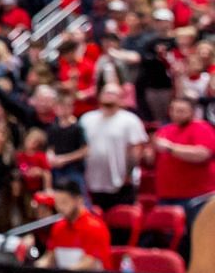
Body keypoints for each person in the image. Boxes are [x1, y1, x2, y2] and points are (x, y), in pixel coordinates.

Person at [80, 83, 148, 211]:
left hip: (121, 182)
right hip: (93, 181)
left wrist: (128, 175)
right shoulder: (87, 119)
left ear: (121, 98)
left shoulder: (130, 120)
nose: (109, 96)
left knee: (121, 222)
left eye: (113, 93)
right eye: (106, 92)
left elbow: (136, 150)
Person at [153, 95, 215, 231]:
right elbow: (153, 160)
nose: (176, 114)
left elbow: (202, 154)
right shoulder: (165, 130)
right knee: (168, 237)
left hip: (196, 196)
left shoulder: (202, 128)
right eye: (173, 110)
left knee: (195, 235)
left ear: (192, 112)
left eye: (181, 111)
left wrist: (170, 148)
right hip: (167, 195)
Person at [40, 184, 113, 271]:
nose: (60, 207)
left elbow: (90, 263)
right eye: (57, 203)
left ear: (79, 201)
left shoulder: (95, 227)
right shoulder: (58, 227)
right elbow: (50, 257)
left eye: (64, 202)